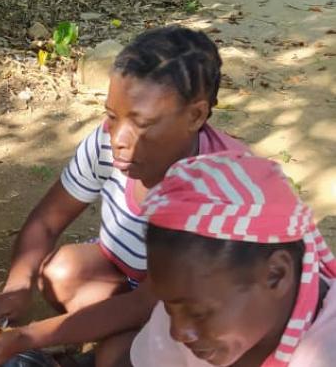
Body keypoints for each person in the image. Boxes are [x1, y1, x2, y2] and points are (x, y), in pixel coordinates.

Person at [0, 26, 248, 367]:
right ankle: (111, 338)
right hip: (131, 278)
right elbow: (46, 222)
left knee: (116, 357)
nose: (118, 137)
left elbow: (145, 303)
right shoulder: (109, 142)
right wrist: (18, 286)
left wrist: (25, 337)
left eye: (141, 122)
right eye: (113, 115)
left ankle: (119, 347)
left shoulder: (217, 193)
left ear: (195, 116)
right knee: (60, 272)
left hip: (199, 313)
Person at [131, 151, 336, 367]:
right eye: (168, 308)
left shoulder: (325, 353)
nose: (178, 333)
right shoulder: (187, 302)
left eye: (199, 313)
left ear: (276, 274)